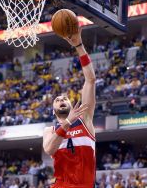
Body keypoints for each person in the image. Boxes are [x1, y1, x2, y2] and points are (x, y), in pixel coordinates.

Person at [43, 28, 96, 188]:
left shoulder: (85, 118)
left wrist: (79, 45)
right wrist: (67, 122)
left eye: (65, 98)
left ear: (72, 105)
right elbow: (49, 149)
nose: (61, 100)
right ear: (53, 110)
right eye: (57, 100)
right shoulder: (49, 130)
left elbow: (91, 80)